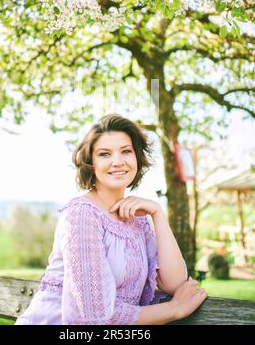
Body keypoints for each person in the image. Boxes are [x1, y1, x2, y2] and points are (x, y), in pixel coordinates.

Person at [15, 114, 207, 325]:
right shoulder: (81, 214)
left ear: (137, 158)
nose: (118, 161)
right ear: (91, 164)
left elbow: (175, 282)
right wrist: (173, 309)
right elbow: (93, 316)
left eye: (126, 151)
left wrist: (158, 214)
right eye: (105, 154)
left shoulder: (138, 220)